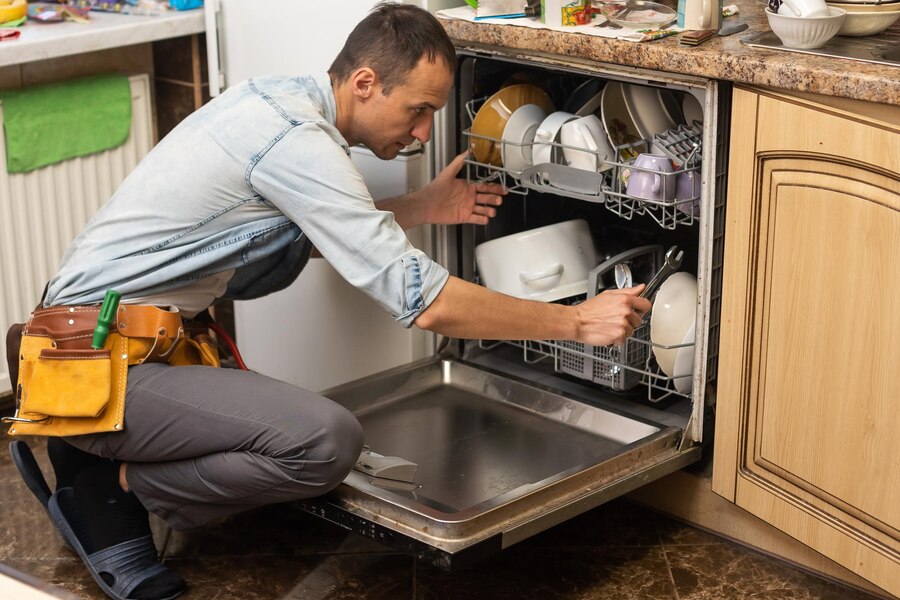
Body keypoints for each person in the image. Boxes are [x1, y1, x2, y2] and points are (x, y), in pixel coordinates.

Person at [7, 4, 650, 600]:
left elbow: (303, 226)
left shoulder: (278, 103)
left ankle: (103, 455)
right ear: (365, 83)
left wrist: (417, 208)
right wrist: (575, 319)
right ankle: (111, 484)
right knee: (323, 442)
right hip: (91, 360)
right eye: (419, 111)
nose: (426, 132)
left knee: (276, 263)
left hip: (133, 340)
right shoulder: (295, 138)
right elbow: (423, 302)